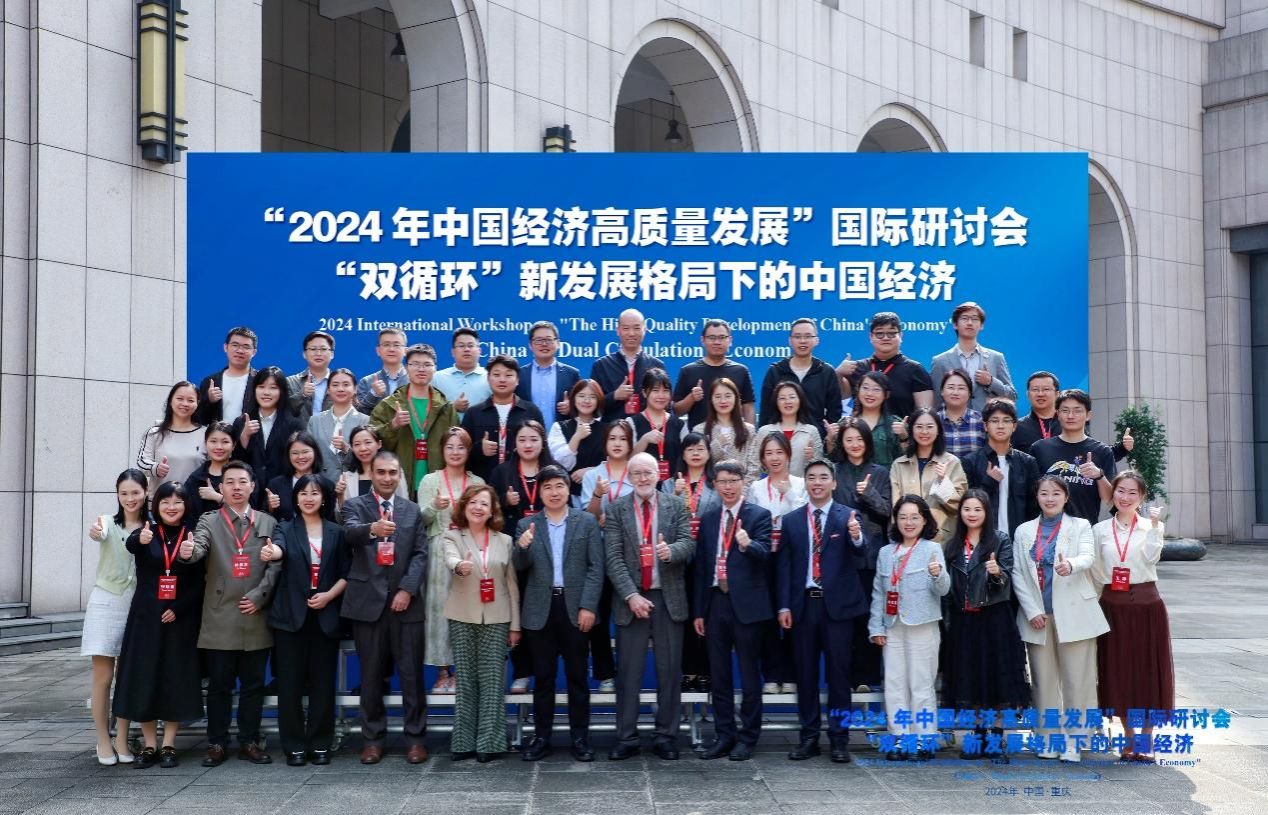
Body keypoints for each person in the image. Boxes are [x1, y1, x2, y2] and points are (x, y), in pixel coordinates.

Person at [180, 460, 281, 767]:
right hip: (220, 614)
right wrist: (188, 552)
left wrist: (260, 596)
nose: (237, 487)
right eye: (230, 482)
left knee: (253, 685)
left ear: (253, 486)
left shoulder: (267, 522)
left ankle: (249, 740)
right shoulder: (209, 521)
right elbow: (198, 547)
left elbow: (275, 565)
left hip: (255, 614)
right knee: (220, 686)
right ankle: (217, 743)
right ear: (220, 488)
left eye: (242, 482)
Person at [776, 459, 871, 763]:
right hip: (803, 606)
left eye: (823, 477)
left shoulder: (848, 516)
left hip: (838, 609)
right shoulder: (792, 520)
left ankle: (840, 740)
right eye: (812, 477)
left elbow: (861, 552)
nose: (817, 482)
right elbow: (784, 567)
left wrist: (856, 536)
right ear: (805, 483)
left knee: (839, 676)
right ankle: (808, 737)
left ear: (834, 483)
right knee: (805, 675)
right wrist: (784, 605)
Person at [1010, 475, 1108, 763]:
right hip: (1038, 616)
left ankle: (1076, 740)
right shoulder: (1024, 531)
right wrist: (1031, 610)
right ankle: (1047, 738)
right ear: (1037, 497)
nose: (1050, 498)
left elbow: (1088, 557)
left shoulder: (1080, 526)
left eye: (1056, 493)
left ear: (1066, 497)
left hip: (1075, 612)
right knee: (1043, 681)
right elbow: (1018, 573)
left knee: (1078, 680)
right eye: (1044, 493)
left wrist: (1071, 564)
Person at [340, 451, 430, 765]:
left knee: (411, 677)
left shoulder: (412, 510)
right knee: (371, 676)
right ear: (372, 473)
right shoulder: (355, 505)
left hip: (407, 606)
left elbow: (420, 554)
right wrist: (372, 529)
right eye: (381, 472)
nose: (387, 478)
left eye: (393, 472)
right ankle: (372, 740)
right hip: (368, 605)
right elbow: (348, 533)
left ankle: (415, 739)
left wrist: (407, 589)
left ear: (400, 474)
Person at [605, 453, 695, 761]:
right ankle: (626, 737)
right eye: (637, 473)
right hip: (631, 599)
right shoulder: (616, 508)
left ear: (659, 475)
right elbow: (613, 558)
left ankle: (666, 736)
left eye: (648, 472)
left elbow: (689, 542)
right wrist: (631, 596)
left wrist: (671, 551)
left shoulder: (675, 505)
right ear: (629, 477)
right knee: (628, 673)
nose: (643, 478)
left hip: (667, 597)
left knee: (669, 672)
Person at [512, 465, 605, 762]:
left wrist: (588, 606)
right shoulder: (527, 524)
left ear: (568, 489)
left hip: (575, 608)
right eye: (548, 487)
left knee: (577, 677)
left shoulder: (586, 522)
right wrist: (522, 547)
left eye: (559, 486)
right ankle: (542, 738)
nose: (554, 492)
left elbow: (596, 568)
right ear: (539, 492)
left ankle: (580, 738)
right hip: (540, 609)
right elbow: (519, 567)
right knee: (544, 679)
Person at [112, 482, 205, 770]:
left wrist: (178, 609)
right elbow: (130, 545)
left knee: (174, 677)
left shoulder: (193, 536)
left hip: (179, 619)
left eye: (178, 502)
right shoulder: (147, 532)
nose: (171, 507)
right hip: (146, 617)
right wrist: (138, 539)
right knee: (146, 676)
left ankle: (169, 744)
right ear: (157, 505)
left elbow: (199, 582)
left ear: (186, 506)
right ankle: (150, 743)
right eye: (166, 502)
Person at [264, 475, 350, 767]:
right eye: (303, 493)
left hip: (325, 614)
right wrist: (272, 552)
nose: (309, 498)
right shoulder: (285, 528)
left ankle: (321, 743)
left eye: (315, 493)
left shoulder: (337, 532)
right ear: (296, 498)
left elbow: (346, 573)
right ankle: (294, 746)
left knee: (323, 685)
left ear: (324, 498)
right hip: (290, 615)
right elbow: (278, 549)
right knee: (289, 684)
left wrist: (328, 596)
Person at [940, 490, 1030, 762]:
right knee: (972, 678)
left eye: (977, 509)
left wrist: (996, 573)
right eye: (967, 509)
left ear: (987, 512)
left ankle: (996, 736)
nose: (972, 514)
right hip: (964, 622)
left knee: (998, 678)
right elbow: (947, 589)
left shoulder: (1000, 540)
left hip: (994, 619)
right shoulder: (952, 545)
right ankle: (978, 734)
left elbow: (1007, 580)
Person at [692, 460, 773, 762]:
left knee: (750, 675)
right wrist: (699, 611)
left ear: (743, 483)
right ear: (714, 484)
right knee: (719, 675)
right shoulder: (709, 519)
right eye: (722, 481)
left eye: (733, 480)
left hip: (748, 606)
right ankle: (724, 734)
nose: (728, 487)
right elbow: (702, 567)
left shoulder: (759, 515)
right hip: (716, 603)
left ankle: (748, 737)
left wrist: (747, 544)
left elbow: (765, 555)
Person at [1092, 471, 1174, 763]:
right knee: (1118, 670)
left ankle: (1146, 738)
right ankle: (1128, 737)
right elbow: (1095, 570)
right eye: (1120, 491)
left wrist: (1154, 527)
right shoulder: (1100, 529)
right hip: (1112, 605)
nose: (1125, 497)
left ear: (1141, 498)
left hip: (1146, 604)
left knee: (1148, 670)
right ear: (1112, 493)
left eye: (1132, 493)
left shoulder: (1152, 526)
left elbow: (1152, 558)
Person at [869, 495, 951, 761]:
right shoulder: (885, 553)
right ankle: (899, 738)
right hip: (892, 626)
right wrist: (876, 627)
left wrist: (938, 574)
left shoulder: (932, 549)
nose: (909, 522)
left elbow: (944, 589)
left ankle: (924, 740)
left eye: (915, 517)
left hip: (922, 625)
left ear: (924, 520)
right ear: (896, 521)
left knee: (921, 684)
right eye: (903, 517)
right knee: (894, 684)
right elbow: (879, 593)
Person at [443, 484, 521, 762]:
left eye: (484, 504)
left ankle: (489, 742)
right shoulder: (452, 535)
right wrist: (459, 566)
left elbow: (511, 585)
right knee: (465, 680)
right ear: (464, 506)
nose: (478, 507)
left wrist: (515, 625)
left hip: (498, 617)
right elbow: (450, 559)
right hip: (462, 615)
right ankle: (463, 741)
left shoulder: (505, 540)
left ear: (492, 511)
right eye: (473, 502)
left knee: (492, 681)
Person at [83, 470, 145, 766]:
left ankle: (122, 736)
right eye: (124, 493)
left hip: (136, 604)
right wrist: (95, 531)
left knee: (126, 676)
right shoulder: (107, 522)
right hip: (106, 602)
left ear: (145, 492)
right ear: (117, 496)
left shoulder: (151, 527)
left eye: (135, 492)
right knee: (104, 675)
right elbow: (99, 532)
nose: (130, 499)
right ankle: (102, 739)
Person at [417, 427, 485, 695]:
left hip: (470, 549)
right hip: (438, 551)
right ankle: (443, 672)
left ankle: (463, 671)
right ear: (442, 450)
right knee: (439, 612)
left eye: (461, 447)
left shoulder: (477, 481)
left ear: (468, 451)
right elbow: (421, 521)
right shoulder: (429, 481)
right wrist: (435, 506)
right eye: (450, 447)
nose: (455, 452)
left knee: (468, 611)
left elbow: (486, 514)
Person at [489, 420, 555, 692]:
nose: (528, 445)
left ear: (543, 443)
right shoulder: (501, 472)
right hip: (512, 549)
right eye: (522, 439)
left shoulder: (552, 471)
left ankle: (546, 672)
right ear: (514, 444)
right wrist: (505, 502)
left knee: (546, 611)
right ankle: (522, 672)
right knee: (517, 609)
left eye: (534, 439)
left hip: (549, 550)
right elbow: (488, 510)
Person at [830, 418, 892, 691]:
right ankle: (843, 678)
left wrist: (869, 494)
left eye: (859, 439)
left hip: (871, 555)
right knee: (843, 621)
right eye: (849, 439)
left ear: (867, 441)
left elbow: (888, 512)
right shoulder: (834, 471)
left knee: (869, 616)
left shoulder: (880, 472)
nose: (854, 444)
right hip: (840, 554)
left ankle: (866, 678)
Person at [746, 431, 806, 694]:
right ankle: (771, 674)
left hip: (793, 558)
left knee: (794, 615)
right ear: (762, 458)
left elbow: (805, 517)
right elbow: (750, 522)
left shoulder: (801, 484)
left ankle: (791, 674)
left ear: (788, 455)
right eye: (769, 453)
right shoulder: (756, 488)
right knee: (767, 617)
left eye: (779, 452)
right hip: (765, 560)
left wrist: (789, 494)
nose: (774, 458)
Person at [666, 431, 721, 691]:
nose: (696, 453)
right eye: (690, 449)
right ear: (683, 454)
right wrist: (676, 495)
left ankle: (707, 670)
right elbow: (664, 520)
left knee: (707, 615)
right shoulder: (670, 484)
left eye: (700, 448)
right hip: (679, 561)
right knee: (685, 617)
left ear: (709, 453)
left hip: (708, 558)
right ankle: (688, 671)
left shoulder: (717, 483)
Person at [370, 343, 458, 499]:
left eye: (427, 365)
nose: (421, 369)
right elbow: (372, 443)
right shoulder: (389, 405)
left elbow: (457, 447)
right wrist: (393, 425)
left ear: (435, 369)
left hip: (437, 488)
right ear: (406, 368)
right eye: (415, 364)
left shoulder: (446, 407)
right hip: (398, 486)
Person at [1029, 389, 1116, 525]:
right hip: (1045, 529)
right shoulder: (1039, 448)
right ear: (1057, 414)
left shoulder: (1102, 451)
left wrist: (1099, 476)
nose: (1070, 416)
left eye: (1077, 411)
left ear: (1088, 415)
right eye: (1065, 410)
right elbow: (1029, 493)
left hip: (1084, 530)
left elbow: (1110, 499)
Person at [962, 400, 1041, 537]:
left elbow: (1035, 506)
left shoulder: (1027, 462)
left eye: (1006, 421)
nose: (1000, 426)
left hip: (1020, 538)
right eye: (994, 421)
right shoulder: (970, 462)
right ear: (985, 426)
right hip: (983, 538)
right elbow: (967, 506)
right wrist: (989, 482)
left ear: (1014, 426)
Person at [461, 354, 545, 481]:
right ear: (488, 378)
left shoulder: (531, 412)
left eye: (508, 375)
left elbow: (543, 449)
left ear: (517, 380)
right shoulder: (474, 413)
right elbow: (460, 450)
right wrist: (479, 449)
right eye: (496, 375)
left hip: (521, 484)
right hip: (482, 485)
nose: (502, 380)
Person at [888, 408, 967, 543]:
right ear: (911, 430)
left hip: (942, 539)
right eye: (919, 427)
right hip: (907, 539)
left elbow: (959, 506)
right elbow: (895, 506)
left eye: (930, 427)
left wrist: (943, 482)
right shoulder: (899, 465)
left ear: (938, 430)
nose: (924, 432)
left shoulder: (951, 462)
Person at [838, 312, 934, 419]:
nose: (885, 338)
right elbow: (839, 403)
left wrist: (905, 429)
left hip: (901, 429)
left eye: (891, 333)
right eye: (879, 333)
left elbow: (924, 416)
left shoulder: (915, 370)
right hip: (863, 429)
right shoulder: (856, 368)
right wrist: (838, 373)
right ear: (871, 336)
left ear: (901, 335)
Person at [758, 318, 842, 433]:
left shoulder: (826, 372)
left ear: (816, 340)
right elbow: (765, 413)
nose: (803, 341)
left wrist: (826, 436)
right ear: (790, 341)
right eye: (797, 337)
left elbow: (834, 413)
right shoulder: (775, 371)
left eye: (808, 336)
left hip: (816, 439)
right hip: (780, 440)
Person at [929, 302, 1017, 411]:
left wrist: (991, 382)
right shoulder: (940, 361)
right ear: (955, 324)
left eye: (975, 319)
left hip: (987, 420)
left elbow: (1012, 396)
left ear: (981, 325)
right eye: (964, 318)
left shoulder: (996, 357)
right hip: (953, 421)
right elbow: (936, 402)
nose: (970, 323)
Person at [673, 319, 757, 427]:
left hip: (733, 435)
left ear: (730, 340)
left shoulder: (741, 371)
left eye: (722, 337)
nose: (717, 342)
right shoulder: (688, 371)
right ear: (702, 340)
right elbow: (677, 411)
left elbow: (748, 407)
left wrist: (750, 433)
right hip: (699, 436)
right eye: (712, 337)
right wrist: (691, 398)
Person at [231, 366, 302, 489]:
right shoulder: (241, 423)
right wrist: (244, 437)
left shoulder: (294, 425)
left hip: (282, 492)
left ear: (282, 391)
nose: (266, 392)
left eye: (273, 388)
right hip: (249, 493)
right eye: (261, 387)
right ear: (254, 389)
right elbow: (235, 464)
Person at [590, 308, 665, 421]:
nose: (631, 333)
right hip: (612, 430)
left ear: (644, 330)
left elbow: (665, 406)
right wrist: (614, 396)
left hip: (647, 429)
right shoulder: (601, 365)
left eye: (637, 328)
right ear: (618, 330)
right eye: (626, 328)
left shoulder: (656, 365)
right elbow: (591, 407)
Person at [137, 380, 204, 495]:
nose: (185, 404)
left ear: (197, 404)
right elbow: (142, 461)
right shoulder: (154, 433)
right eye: (180, 399)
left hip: (194, 502)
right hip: (161, 501)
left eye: (190, 400)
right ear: (170, 401)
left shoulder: (205, 434)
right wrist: (155, 468)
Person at [547, 378, 607, 506]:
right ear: (573, 399)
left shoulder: (607, 429)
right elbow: (561, 464)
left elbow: (615, 462)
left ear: (599, 400)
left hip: (600, 495)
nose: (586, 400)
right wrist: (576, 437)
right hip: (568, 497)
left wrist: (591, 471)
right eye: (581, 396)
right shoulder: (559, 427)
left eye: (592, 397)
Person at [306, 367, 368, 484]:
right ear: (328, 390)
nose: (340, 389)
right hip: (321, 487)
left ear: (355, 389)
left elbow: (370, 459)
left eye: (346, 385)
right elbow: (308, 456)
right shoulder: (315, 421)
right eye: (335, 385)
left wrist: (347, 449)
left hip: (354, 485)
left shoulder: (365, 421)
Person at [517, 320, 580, 432]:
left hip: (562, 438)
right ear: (530, 345)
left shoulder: (571, 374)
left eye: (549, 339)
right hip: (528, 438)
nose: (544, 344)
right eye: (538, 340)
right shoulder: (520, 375)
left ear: (558, 343)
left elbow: (583, 408)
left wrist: (572, 408)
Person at [752, 381, 824, 477]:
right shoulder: (764, 431)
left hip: (802, 485)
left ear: (800, 400)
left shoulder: (811, 431)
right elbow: (755, 465)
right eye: (782, 398)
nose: (787, 401)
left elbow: (819, 466)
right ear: (776, 402)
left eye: (792, 397)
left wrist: (812, 458)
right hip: (772, 484)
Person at [628, 368, 684, 486]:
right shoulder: (631, 423)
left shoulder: (680, 425)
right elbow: (627, 461)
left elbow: (686, 458)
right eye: (655, 390)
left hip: (673, 488)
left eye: (666, 391)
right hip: (641, 486)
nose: (661, 395)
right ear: (644, 392)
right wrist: (644, 440)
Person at [693, 377, 755, 479]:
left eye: (728, 396)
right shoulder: (699, 430)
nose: (723, 401)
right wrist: (717, 445)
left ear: (736, 398)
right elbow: (698, 464)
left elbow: (754, 466)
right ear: (711, 400)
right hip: (710, 487)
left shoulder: (749, 430)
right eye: (717, 397)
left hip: (743, 487)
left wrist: (744, 488)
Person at [194, 326, 258, 425]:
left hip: (251, 434)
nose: (240, 350)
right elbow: (199, 419)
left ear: (254, 352)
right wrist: (208, 400)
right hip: (219, 434)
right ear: (225, 347)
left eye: (246, 347)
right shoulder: (211, 381)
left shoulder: (260, 380)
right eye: (235, 345)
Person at [263, 432, 331, 522]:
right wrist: (271, 507)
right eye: (295, 453)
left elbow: (331, 519)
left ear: (315, 452)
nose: (300, 457)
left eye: (305, 452)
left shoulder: (327, 484)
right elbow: (265, 519)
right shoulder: (275, 484)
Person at [337, 425, 407, 510]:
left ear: (379, 444)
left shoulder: (393, 471)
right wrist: (340, 496)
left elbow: (405, 507)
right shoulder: (346, 477)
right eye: (357, 444)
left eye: (368, 442)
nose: (363, 448)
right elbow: (343, 514)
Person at [580, 421, 637, 521]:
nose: (617, 444)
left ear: (630, 444)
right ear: (605, 442)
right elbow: (588, 518)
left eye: (623, 439)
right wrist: (597, 494)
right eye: (612, 438)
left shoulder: (638, 474)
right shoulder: (591, 475)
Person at [848, 371, 906, 466]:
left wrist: (904, 436)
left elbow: (908, 458)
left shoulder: (896, 423)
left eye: (876, 389)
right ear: (858, 390)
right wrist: (830, 439)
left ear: (886, 394)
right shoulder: (847, 423)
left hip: (887, 475)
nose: (869, 393)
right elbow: (834, 458)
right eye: (865, 388)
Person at [434, 327, 491, 420]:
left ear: (479, 351)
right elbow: (428, 411)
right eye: (461, 346)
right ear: (453, 352)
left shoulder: (490, 377)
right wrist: (452, 407)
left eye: (471, 345)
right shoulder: (437, 378)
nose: (466, 349)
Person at [186, 422, 236, 521]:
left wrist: (218, 497)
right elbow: (190, 517)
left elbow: (250, 511)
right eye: (213, 441)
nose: (219, 447)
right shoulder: (195, 479)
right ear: (205, 444)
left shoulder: (243, 475)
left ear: (234, 445)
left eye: (225, 442)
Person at [286, 330, 336, 424]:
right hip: (301, 433)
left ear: (332, 354)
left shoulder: (339, 384)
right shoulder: (290, 382)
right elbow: (282, 413)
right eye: (313, 349)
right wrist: (302, 395)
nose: (318, 353)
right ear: (304, 354)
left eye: (323, 349)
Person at [355, 328, 409, 413]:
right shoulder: (366, 382)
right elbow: (360, 415)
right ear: (378, 351)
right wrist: (373, 394)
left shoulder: (414, 380)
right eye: (386, 345)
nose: (391, 349)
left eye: (396, 345)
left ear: (405, 351)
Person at [936, 369, 986, 460]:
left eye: (961, 388)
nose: (955, 392)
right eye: (951, 387)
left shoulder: (981, 421)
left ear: (969, 393)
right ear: (942, 391)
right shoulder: (933, 421)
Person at [1010, 371, 1061, 453]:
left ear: (1057, 394)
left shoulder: (1069, 423)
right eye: (1035, 389)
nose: (1040, 394)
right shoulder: (1016, 427)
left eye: (1046, 389)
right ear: (1028, 394)